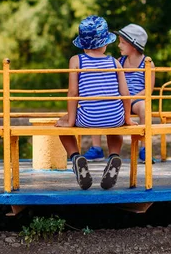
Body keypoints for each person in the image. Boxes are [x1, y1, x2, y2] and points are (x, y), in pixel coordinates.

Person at [55, 15, 135, 190]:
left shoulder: (76, 61)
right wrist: (127, 119)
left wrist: (69, 121)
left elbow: (73, 93)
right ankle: (114, 156)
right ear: (105, 43)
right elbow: (125, 94)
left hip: (88, 118)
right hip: (115, 117)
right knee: (115, 128)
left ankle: (75, 157)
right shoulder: (115, 62)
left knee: (60, 125)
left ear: (82, 43)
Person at [86, 23, 156, 163]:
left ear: (134, 45)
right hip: (120, 99)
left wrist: (130, 99)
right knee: (97, 104)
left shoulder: (147, 63)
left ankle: (145, 149)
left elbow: (148, 90)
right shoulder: (119, 61)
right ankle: (97, 148)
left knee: (144, 108)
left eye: (123, 43)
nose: (119, 46)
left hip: (136, 99)